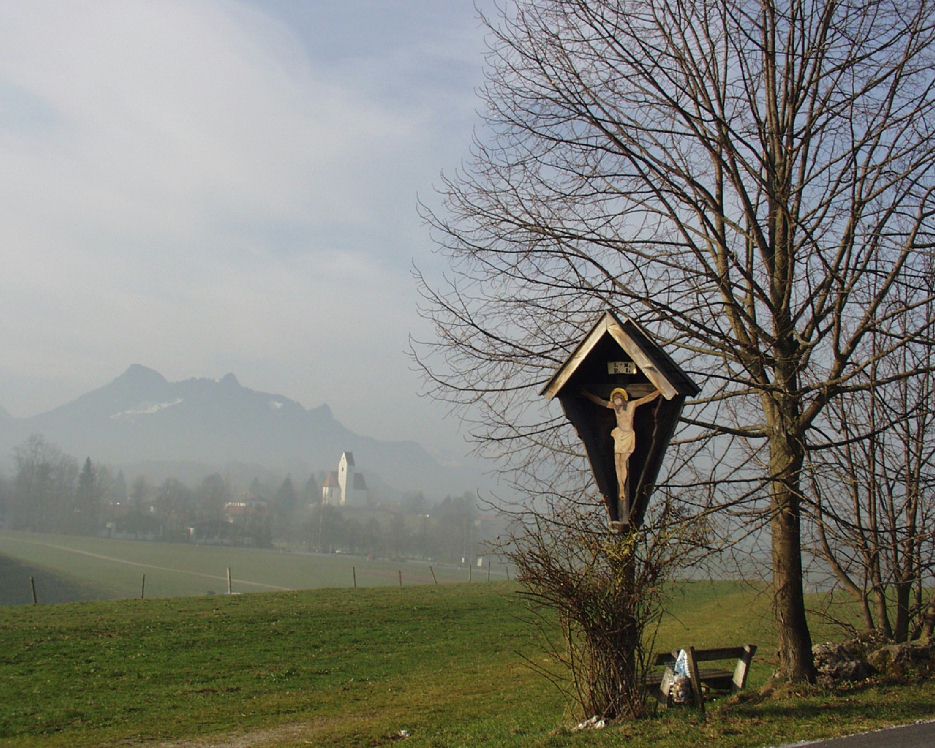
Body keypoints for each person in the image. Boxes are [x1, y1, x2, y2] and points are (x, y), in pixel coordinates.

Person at [583, 386, 661, 523]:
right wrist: (586, 394)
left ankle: (623, 488)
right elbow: (600, 401)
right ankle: (621, 488)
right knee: (617, 463)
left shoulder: (631, 405)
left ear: (623, 399)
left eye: (618, 399)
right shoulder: (615, 407)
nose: (616, 401)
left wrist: (659, 391)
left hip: (628, 436)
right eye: (615, 399)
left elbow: (646, 399)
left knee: (623, 462)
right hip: (619, 435)